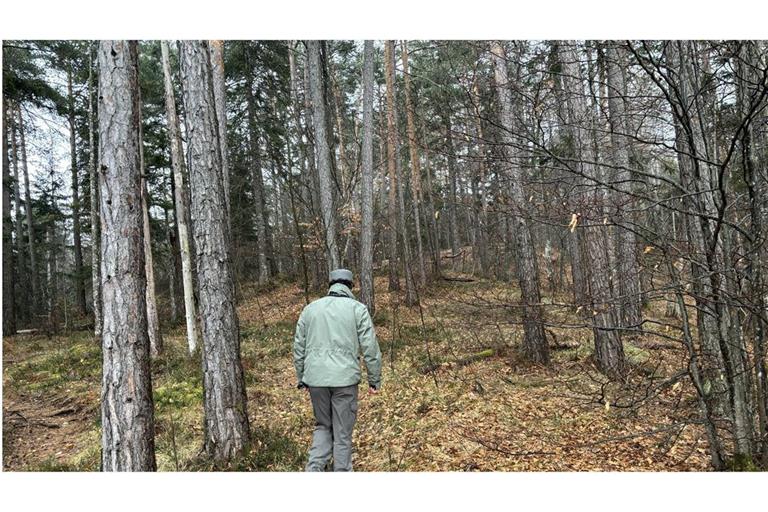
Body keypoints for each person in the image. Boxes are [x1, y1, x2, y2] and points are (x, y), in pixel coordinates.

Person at [293, 268, 382, 472]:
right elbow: (370, 347)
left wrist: (302, 378)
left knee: (323, 426)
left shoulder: (310, 309)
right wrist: (374, 380)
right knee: (342, 433)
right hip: (345, 381)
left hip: (316, 380)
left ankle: (314, 470)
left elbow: (299, 346)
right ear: (350, 286)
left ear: (330, 285)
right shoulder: (357, 309)